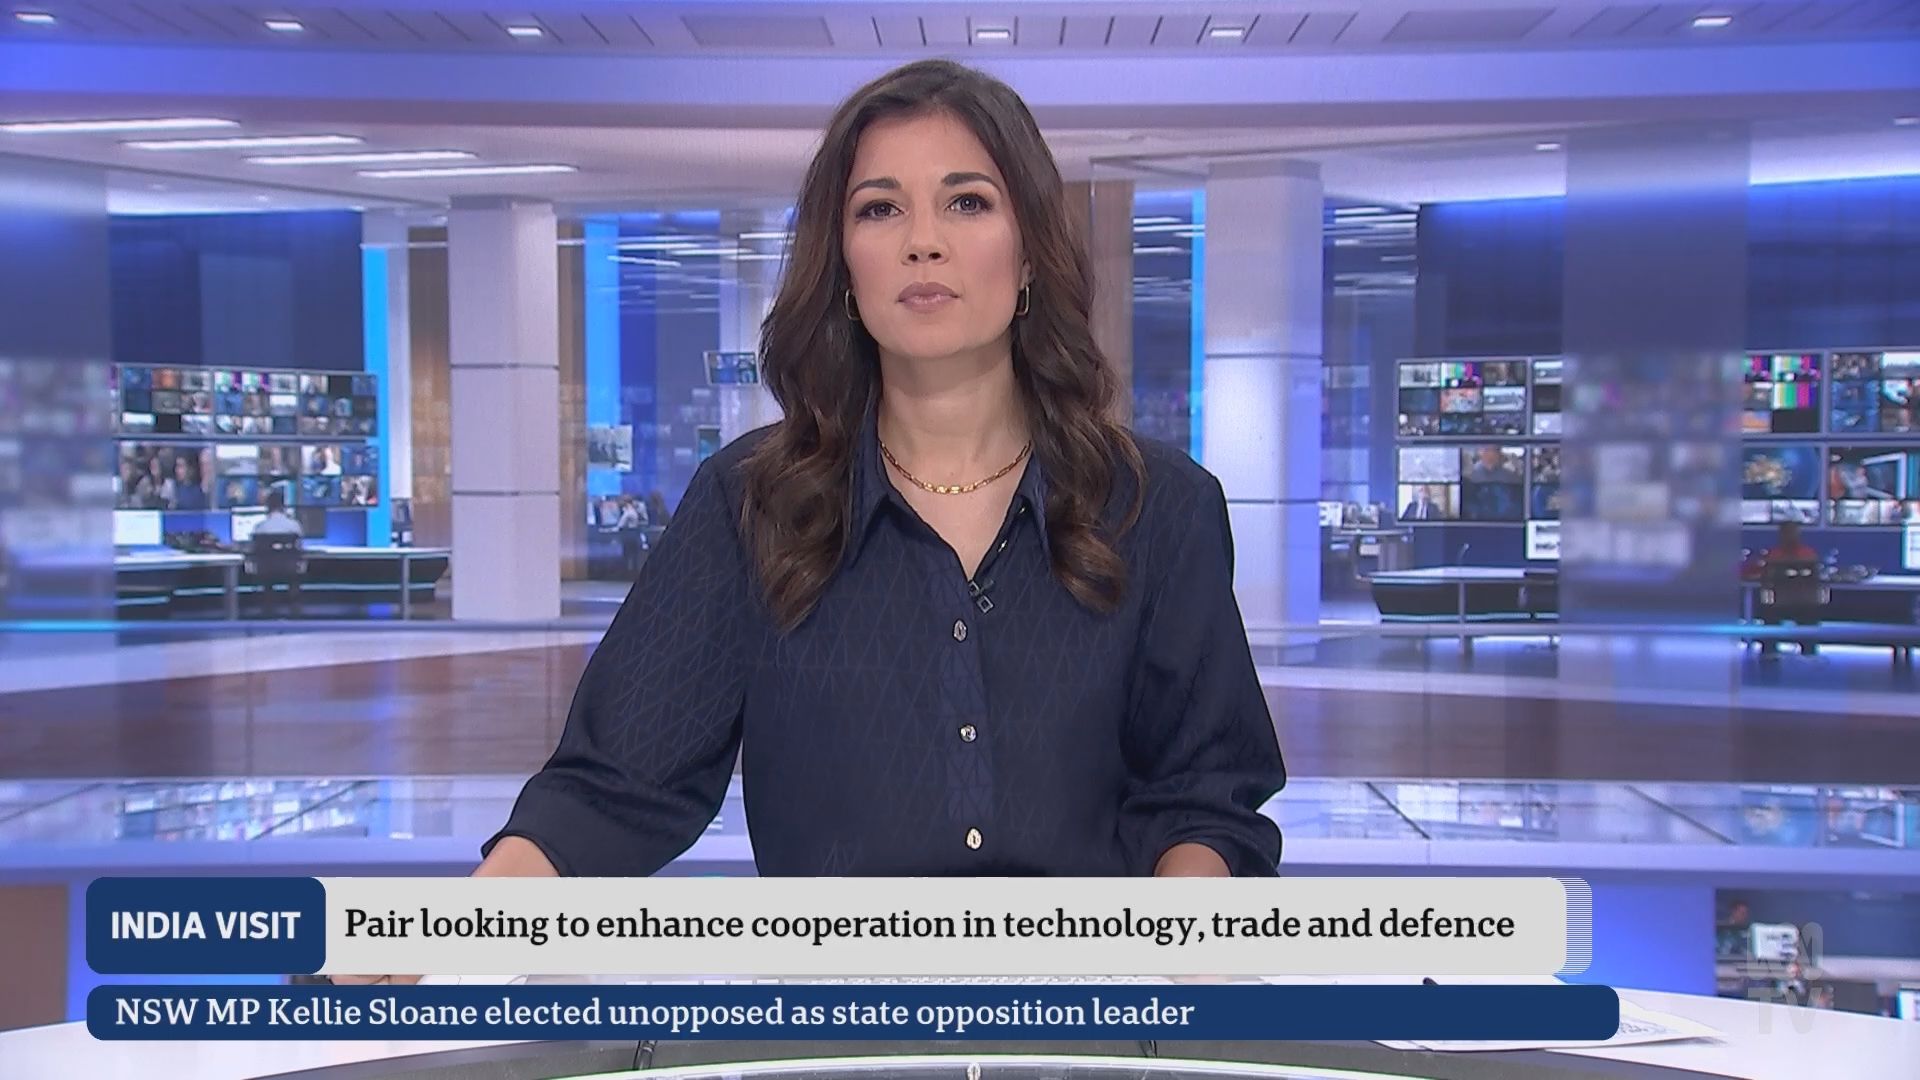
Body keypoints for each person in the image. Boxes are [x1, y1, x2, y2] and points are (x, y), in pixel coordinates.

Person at [337, 58, 1284, 984]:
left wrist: (1168, 963)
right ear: (842, 265)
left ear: (1030, 249)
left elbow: (1204, 798)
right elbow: (615, 785)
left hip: (1091, 1028)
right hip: (833, 1029)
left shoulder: (1158, 507)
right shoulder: (749, 502)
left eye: (967, 202)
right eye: (880, 209)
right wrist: (444, 932)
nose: (923, 242)